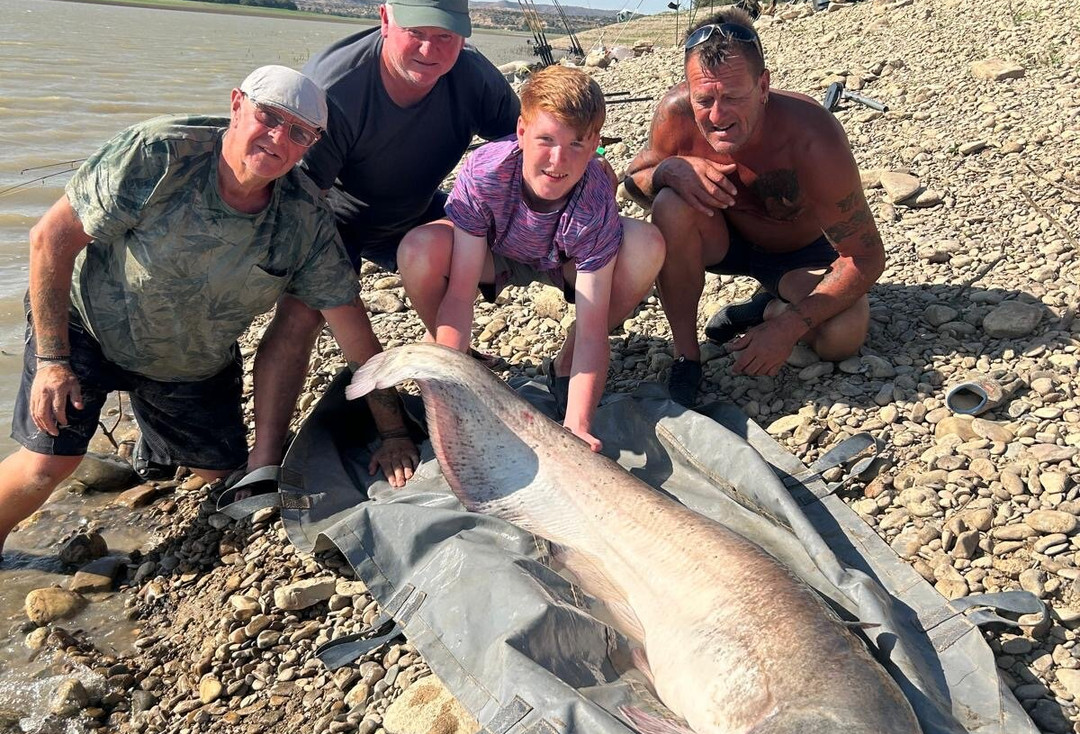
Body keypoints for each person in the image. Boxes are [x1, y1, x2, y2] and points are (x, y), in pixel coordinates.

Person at [0, 65, 418, 558]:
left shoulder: (305, 219)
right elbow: (51, 240)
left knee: (221, 476)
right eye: (268, 117)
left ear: (311, 144)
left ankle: (151, 446)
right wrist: (52, 360)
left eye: (298, 133)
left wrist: (393, 433)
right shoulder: (158, 153)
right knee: (46, 467)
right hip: (85, 328)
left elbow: (354, 332)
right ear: (237, 104)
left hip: (188, 362)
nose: (277, 138)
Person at [247, 0, 521, 475]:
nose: (430, 50)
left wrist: (587, 169)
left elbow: (524, 142)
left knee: (504, 246)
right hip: (334, 219)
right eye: (416, 31)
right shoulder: (336, 88)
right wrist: (391, 426)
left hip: (416, 207)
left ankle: (455, 358)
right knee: (303, 310)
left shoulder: (474, 76)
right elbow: (297, 200)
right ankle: (265, 454)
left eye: (446, 37)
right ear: (384, 18)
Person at [624, 8, 885, 408]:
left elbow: (866, 257)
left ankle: (766, 310)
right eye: (704, 99)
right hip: (724, 242)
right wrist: (668, 171)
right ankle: (686, 356)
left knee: (842, 338)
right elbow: (634, 181)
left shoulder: (811, 134)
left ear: (763, 85)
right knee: (670, 203)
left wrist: (788, 327)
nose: (717, 115)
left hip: (799, 254)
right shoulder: (676, 114)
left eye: (733, 97)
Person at [397, 66, 665, 452]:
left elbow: (592, 328)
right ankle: (455, 358)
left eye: (576, 144)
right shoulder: (486, 172)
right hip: (497, 254)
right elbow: (459, 294)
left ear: (595, 146)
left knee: (646, 244)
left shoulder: (593, 198)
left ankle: (564, 368)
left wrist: (577, 424)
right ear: (521, 132)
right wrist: (452, 404)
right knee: (418, 249)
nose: (558, 161)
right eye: (546, 139)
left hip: (563, 261)